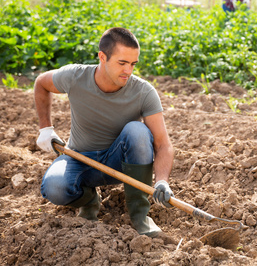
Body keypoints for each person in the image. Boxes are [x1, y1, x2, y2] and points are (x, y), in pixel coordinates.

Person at [34, 27, 175, 238]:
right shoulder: (75, 77)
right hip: (80, 158)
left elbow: (163, 144)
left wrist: (162, 180)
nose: (128, 70)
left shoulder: (143, 92)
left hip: (120, 161)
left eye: (133, 64)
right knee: (54, 187)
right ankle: (89, 202)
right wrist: (45, 128)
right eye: (122, 63)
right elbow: (41, 83)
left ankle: (140, 216)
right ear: (102, 57)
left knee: (137, 131)